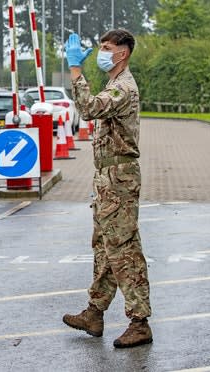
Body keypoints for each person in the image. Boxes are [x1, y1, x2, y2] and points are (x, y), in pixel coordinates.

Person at [61, 29, 153, 348]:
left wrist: (75, 69)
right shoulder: (113, 84)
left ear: (122, 53)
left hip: (120, 178)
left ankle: (139, 322)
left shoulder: (123, 87)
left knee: (124, 249)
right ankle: (95, 312)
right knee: (104, 247)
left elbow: (88, 108)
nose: (100, 52)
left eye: (106, 47)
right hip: (107, 177)